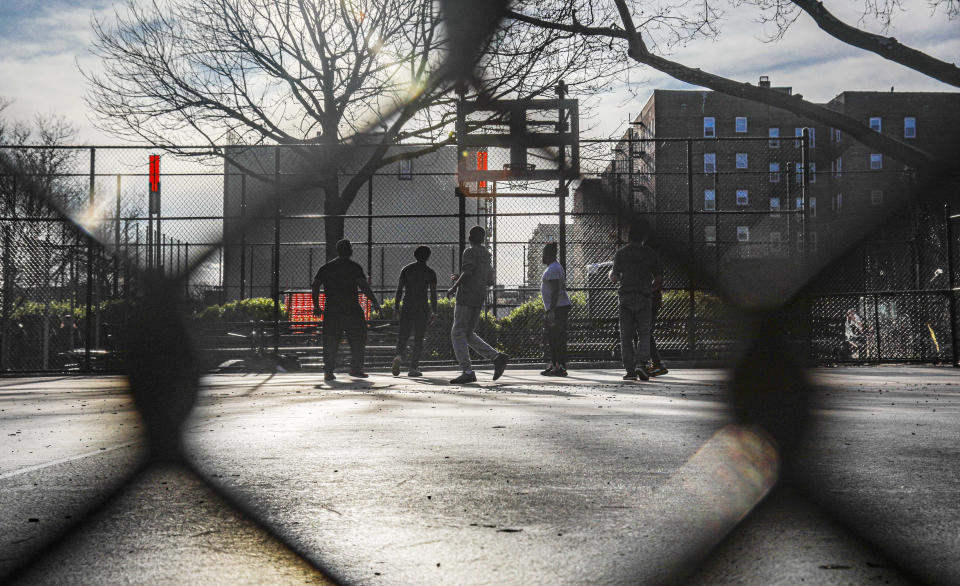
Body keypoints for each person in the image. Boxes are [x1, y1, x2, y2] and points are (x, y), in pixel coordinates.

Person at [446, 225, 508, 384]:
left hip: (466, 296)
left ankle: (467, 370)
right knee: (467, 333)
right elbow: (489, 280)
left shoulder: (469, 251)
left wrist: (454, 286)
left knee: (457, 332)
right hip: (479, 296)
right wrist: (467, 278)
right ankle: (496, 357)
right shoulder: (487, 254)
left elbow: (468, 272)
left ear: (470, 237)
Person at [312, 239, 381, 381]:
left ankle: (328, 371)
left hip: (332, 309)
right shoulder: (354, 267)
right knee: (358, 338)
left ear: (338, 250)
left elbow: (315, 286)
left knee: (330, 340)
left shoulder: (326, 267)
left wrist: (317, 305)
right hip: (351, 308)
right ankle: (355, 368)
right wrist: (375, 302)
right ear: (350, 250)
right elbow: (364, 287)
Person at [610, 221, 661, 381]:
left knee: (626, 335)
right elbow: (658, 278)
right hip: (644, 296)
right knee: (644, 333)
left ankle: (630, 371)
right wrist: (649, 290)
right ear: (643, 237)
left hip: (625, 296)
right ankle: (642, 364)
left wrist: (613, 274)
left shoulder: (621, 253)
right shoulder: (650, 253)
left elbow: (614, 277)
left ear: (628, 237)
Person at [392, 246, 438, 377]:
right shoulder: (430, 272)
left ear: (415, 255)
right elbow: (433, 294)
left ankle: (399, 357)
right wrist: (434, 311)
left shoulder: (406, 270)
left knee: (403, 335)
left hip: (407, 305)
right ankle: (413, 367)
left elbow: (399, 289)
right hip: (422, 307)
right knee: (419, 337)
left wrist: (396, 306)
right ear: (428, 257)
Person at [540, 242, 571, 376]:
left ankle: (559, 366)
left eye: (544, 253)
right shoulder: (555, 267)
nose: (542, 256)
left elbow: (554, 291)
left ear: (549, 254)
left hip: (557, 308)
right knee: (554, 337)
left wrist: (551, 310)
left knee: (555, 338)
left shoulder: (553, 269)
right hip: (558, 307)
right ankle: (555, 364)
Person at [646, 270, 669, 377]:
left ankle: (657, 363)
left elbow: (658, 279)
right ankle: (655, 363)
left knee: (646, 333)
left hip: (650, 302)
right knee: (646, 333)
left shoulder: (651, 260)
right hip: (651, 301)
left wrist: (647, 291)